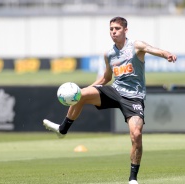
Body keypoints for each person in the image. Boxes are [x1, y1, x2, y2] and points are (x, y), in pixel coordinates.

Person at [43, 16, 177, 184]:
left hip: (134, 97)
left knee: (136, 135)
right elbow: (106, 77)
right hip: (115, 91)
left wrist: (167, 54)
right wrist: (83, 91)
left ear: (125, 30)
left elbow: (153, 49)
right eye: (111, 29)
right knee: (82, 95)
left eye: (117, 29)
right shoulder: (109, 54)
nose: (113, 32)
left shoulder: (136, 46)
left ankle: (133, 179)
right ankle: (63, 129)